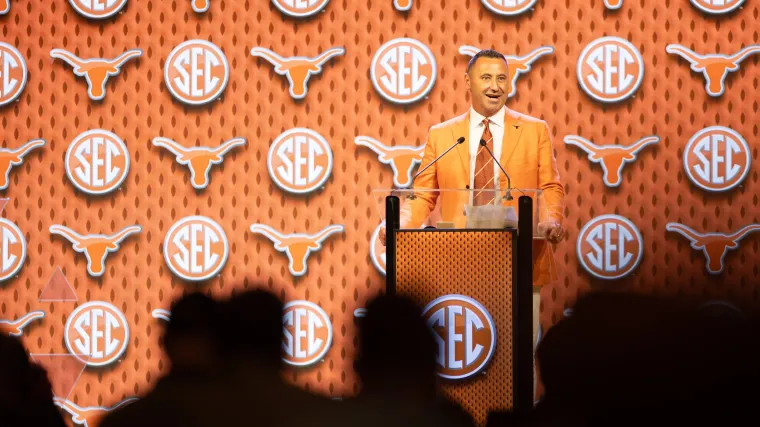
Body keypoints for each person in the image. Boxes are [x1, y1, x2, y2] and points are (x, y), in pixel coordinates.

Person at [381, 49, 566, 395]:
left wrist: (551, 220)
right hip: (457, 262)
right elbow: (423, 195)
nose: (495, 86)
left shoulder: (534, 130)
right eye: (486, 78)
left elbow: (550, 187)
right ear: (467, 82)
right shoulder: (443, 135)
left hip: (519, 261)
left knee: (518, 357)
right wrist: (398, 226)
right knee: (462, 360)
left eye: (501, 78)